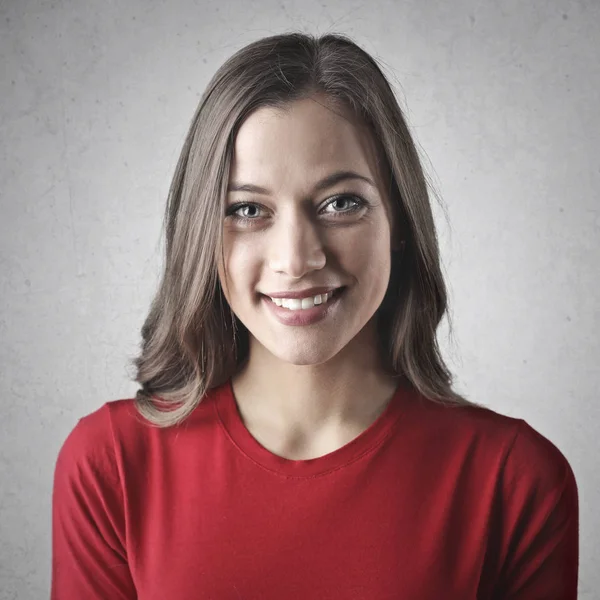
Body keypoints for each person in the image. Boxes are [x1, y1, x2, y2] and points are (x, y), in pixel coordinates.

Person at [50, 32, 579, 599]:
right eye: (248, 210)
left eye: (340, 203)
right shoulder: (111, 465)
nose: (297, 260)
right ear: (201, 232)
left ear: (398, 220)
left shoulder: (516, 480)